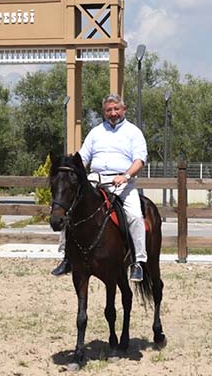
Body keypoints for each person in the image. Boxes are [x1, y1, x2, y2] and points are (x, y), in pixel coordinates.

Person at [51, 93, 148, 282]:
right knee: (69, 210)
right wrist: (71, 167)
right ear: (104, 112)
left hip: (122, 182)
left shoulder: (133, 132)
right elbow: (83, 158)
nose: (113, 113)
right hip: (95, 179)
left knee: (135, 217)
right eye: (108, 110)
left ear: (124, 109)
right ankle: (67, 258)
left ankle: (138, 262)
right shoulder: (95, 132)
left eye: (116, 109)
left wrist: (126, 175)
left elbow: (140, 160)